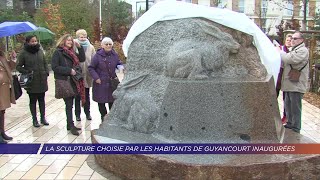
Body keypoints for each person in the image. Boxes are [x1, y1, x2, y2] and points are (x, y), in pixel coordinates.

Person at [51, 34, 85, 136]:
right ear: (63, 41)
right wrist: (69, 70)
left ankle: (70, 124)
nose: (70, 42)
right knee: (69, 104)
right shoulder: (58, 52)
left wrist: (79, 47)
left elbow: (82, 59)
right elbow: (55, 67)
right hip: (65, 81)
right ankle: (70, 125)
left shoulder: (72, 52)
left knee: (72, 104)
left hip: (73, 81)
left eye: (71, 40)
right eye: (68, 40)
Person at [279, 31, 309, 133]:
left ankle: (296, 127)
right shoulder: (295, 49)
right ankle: (290, 123)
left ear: (301, 40)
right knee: (288, 104)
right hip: (290, 83)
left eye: (294, 38)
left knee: (295, 106)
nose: (292, 40)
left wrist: (280, 52)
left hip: (296, 84)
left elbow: (291, 59)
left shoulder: (303, 50)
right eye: (291, 38)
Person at [16, 35, 50, 127]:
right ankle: (34, 119)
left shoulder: (40, 51)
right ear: (28, 42)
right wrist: (27, 72)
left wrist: (46, 72)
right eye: (32, 41)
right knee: (33, 100)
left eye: (35, 41)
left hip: (42, 79)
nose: (34, 43)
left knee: (42, 100)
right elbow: (18, 66)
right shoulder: (23, 53)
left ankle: (43, 118)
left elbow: (44, 62)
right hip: (32, 81)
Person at [88, 37, 123, 121]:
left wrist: (120, 67)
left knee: (112, 101)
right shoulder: (97, 56)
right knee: (101, 102)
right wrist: (96, 77)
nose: (108, 46)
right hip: (100, 82)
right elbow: (91, 68)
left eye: (110, 44)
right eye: (106, 44)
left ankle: (111, 119)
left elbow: (118, 62)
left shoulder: (114, 54)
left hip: (112, 82)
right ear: (102, 45)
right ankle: (103, 119)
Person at [73, 29, 95, 121]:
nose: (83, 38)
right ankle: (77, 114)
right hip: (77, 75)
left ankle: (88, 113)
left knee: (86, 95)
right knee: (77, 95)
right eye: (81, 37)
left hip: (88, 74)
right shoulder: (73, 46)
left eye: (84, 36)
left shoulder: (91, 47)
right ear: (77, 37)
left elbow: (94, 59)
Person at [0, 50, 16, 143]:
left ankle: (2, 132)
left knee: (2, 111)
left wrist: (13, 58)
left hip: (4, 88)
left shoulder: (2, 56)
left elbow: (10, 68)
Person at [276, 34, 292, 124]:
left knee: (286, 98)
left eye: (290, 40)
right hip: (279, 76)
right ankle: (274, 115)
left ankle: (286, 116)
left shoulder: (293, 51)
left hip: (288, 78)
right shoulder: (280, 48)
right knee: (274, 95)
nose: (289, 42)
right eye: (287, 40)